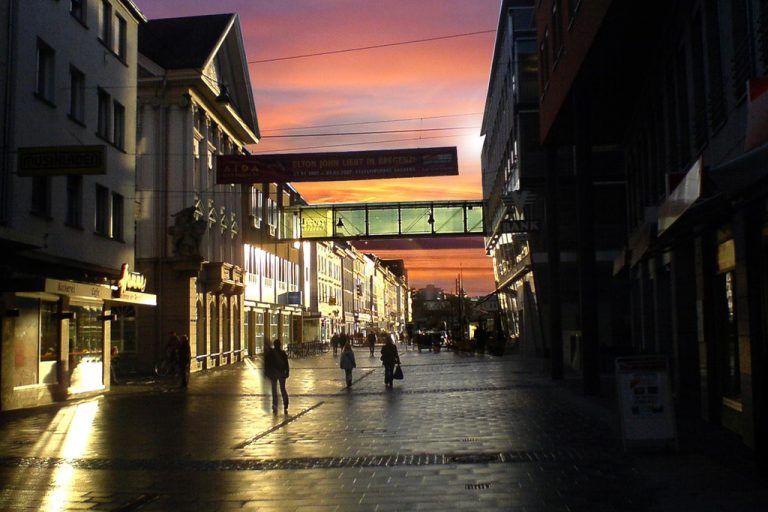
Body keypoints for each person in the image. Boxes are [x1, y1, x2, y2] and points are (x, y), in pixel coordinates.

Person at [264, 338, 290, 414]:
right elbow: (286, 364)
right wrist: (287, 372)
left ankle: (275, 405)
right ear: (280, 345)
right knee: (282, 389)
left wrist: (266, 373)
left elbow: (267, 364)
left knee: (274, 390)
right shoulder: (283, 353)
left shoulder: (271, 353)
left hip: (274, 374)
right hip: (282, 373)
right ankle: (285, 403)